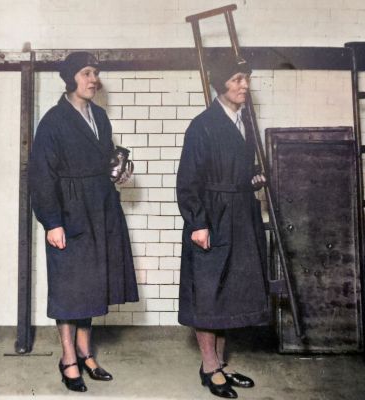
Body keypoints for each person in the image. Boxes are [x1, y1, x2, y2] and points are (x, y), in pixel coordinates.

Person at [29, 51, 139, 392]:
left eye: (96, 73)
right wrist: (52, 223)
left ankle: (85, 352)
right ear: (71, 78)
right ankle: (68, 360)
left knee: (91, 285)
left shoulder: (100, 117)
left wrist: (119, 167)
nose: (94, 79)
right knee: (68, 289)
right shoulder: (52, 121)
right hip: (69, 213)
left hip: (101, 209)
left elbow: (104, 156)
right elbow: (41, 177)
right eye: (87, 73)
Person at [176, 55, 269, 399]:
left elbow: (236, 168)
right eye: (237, 80)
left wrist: (252, 177)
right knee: (208, 292)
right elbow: (187, 180)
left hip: (241, 215)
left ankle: (218, 363)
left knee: (227, 291)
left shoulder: (243, 122)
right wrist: (197, 223)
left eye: (245, 79)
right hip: (212, 217)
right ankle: (209, 367)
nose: (245, 86)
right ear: (221, 84)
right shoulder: (203, 125)